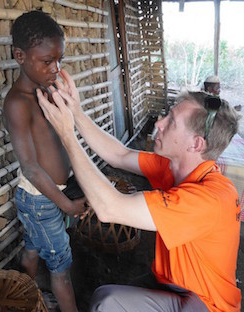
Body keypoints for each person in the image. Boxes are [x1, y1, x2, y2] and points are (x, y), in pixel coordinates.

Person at [36, 69, 242, 311]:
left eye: (171, 121)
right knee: (107, 297)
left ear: (196, 144)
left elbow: (109, 208)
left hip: (206, 305)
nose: (159, 123)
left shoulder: (208, 200)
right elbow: (119, 154)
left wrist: (67, 135)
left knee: (107, 303)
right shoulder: (172, 166)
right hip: (177, 286)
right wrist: (77, 114)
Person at [3, 11, 87, 312]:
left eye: (59, 60)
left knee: (33, 245)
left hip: (47, 194)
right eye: (47, 61)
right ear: (20, 56)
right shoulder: (17, 103)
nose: (56, 68)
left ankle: (18, 295)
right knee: (61, 267)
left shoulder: (46, 90)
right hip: (42, 199)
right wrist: (65, 204)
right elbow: (30, 167)